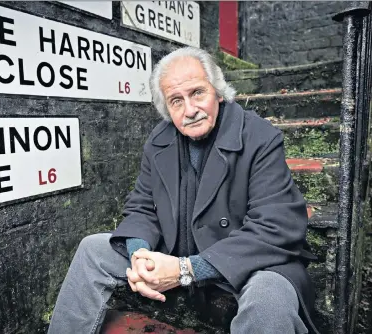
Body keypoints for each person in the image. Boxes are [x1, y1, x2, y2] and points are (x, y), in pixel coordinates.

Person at [48, 47, 318, 334]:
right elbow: (141, 206)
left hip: (248, 262)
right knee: (93, 249)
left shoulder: (259, 136)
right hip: (178, 250)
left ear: (217, 90)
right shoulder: (159, 140)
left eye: (197, 93)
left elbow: (275, 225)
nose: (190, 110)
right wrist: (140, 255)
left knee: (269, 299)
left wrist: (186, 270)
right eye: (176, 101)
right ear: (167, 109)